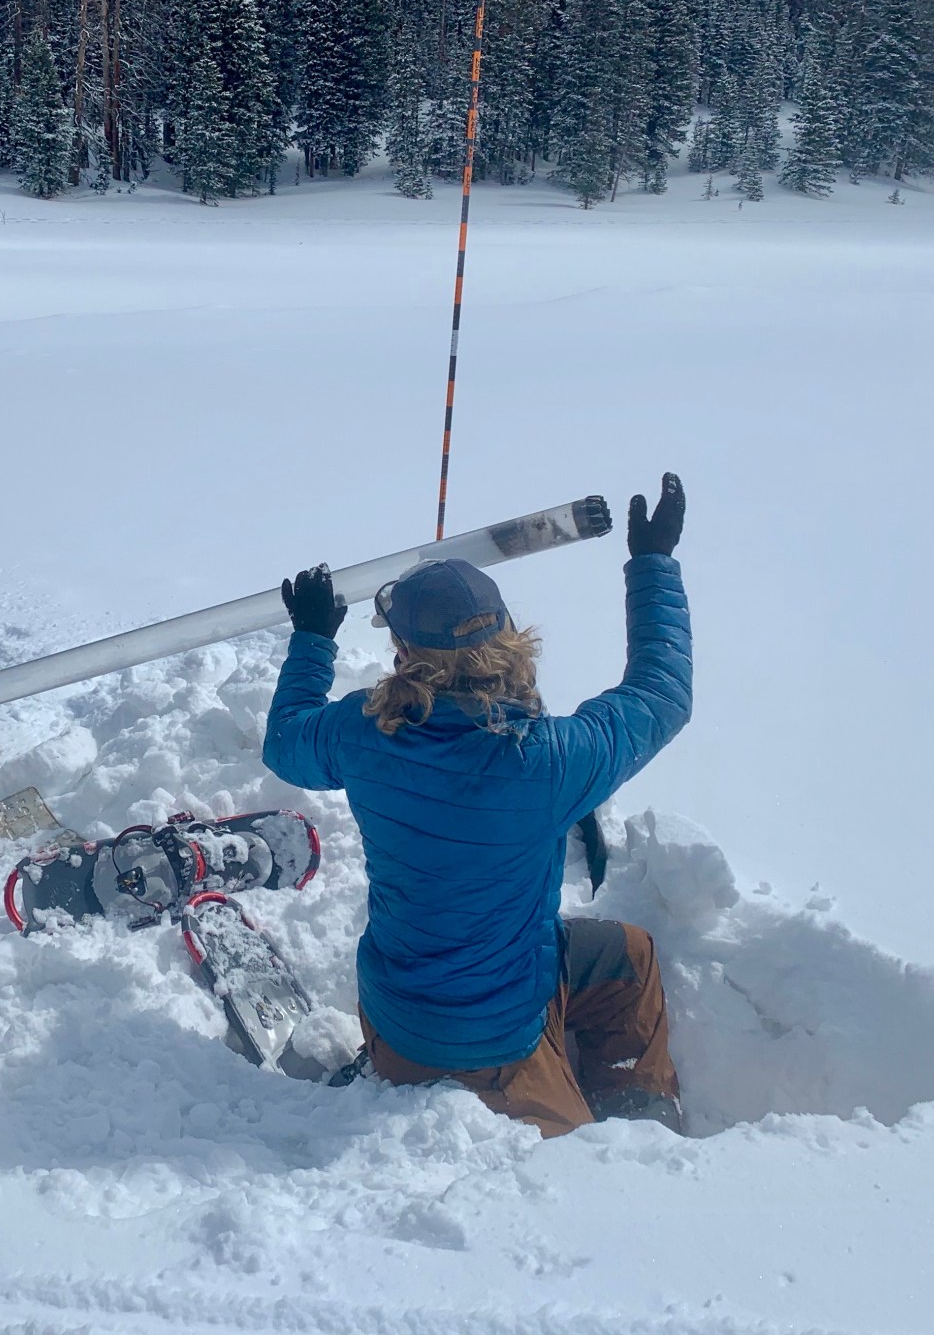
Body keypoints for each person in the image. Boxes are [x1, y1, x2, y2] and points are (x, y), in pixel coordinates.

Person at [262, 476, 693, 1136]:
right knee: (626, 966)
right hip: (500, 1048)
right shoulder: (553, 760)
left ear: (404, 656)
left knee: (619, 952)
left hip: (396, 1020)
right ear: (508, 638)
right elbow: (661, 696)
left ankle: (393, 1066)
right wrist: (653, 564)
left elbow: (287, 744)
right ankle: (638, 1140)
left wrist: (314, 639)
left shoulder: (361, 734)